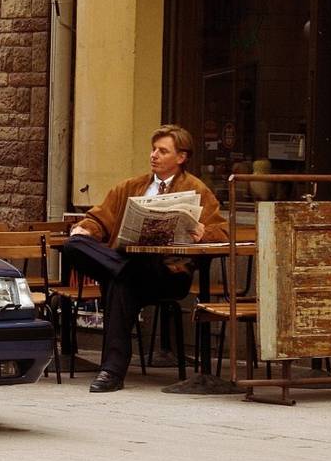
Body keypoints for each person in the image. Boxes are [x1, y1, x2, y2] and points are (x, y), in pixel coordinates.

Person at [63, 124, 228, 392]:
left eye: (163, 151)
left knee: (120, 280)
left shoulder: (196, 189)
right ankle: (111, 372)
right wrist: (87, 228)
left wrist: (203, 232)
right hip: (131, 266)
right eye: (153, 149)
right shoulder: (131, 186)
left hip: (167, 273)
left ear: (181, 157)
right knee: (75, 246)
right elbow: (99, 218)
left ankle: (112, 373)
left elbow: (222, 231)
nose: (154, 155)